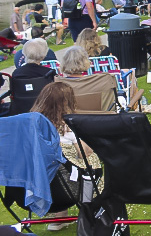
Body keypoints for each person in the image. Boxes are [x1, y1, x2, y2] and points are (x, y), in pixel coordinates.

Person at [31, 81, 101, 231]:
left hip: (39, 185)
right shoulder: (66, 127)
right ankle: (88, 209)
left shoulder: (31, 124)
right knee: (91, 161)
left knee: (58, 169)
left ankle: (59, 218)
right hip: (67, 186)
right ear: (66, 103)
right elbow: (85, 153)